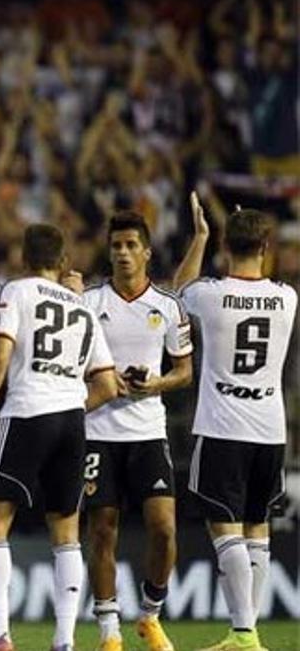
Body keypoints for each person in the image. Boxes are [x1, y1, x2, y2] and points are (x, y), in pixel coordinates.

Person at [0, 224, 120, 651]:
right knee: (67, 532)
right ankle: (64, 641)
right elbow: (108, 386)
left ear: (24, 258)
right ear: (62, 262)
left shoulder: (17, 291)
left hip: (26, 412)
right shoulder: (84, 308)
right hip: (73, 422)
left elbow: (1, 350)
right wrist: (71, 404)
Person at [174, 196, 296, 651]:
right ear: (266, 246)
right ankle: (249, 632)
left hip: (224, 427)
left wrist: (200, 238)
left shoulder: (210, 294)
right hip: (269, 429)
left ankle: (243, 634)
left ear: (226, 244)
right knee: (256, 528)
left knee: (225, 529)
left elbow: (175, 293)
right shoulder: (287, 298)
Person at [81, 212, 193, 651]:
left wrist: (154, 384)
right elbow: (70, 364)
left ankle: (150, 614)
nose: (123, 253)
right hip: (98, 432)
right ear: (109, 252)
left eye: (131, 245)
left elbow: (184, 371)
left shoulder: (166, 306)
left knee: (164, 528)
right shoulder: (88, 303)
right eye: (116, 246)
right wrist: (104, 383)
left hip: (148, 432)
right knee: (102, 530)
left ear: (147, 251)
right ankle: (109, 631)